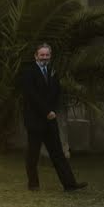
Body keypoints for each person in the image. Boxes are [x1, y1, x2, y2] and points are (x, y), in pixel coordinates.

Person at [20, 43, 88, 192]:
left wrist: (53, 110)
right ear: (36, 56)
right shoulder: (28, 71)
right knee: (33, 154)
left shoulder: (52, 71)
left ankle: (70, 185)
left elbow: (57, 92)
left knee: (58, 153)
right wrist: (46, 111)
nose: (44, 57)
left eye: (47, 55)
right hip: (35, 120)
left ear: (50, 56)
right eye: (42, 55)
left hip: (50, 120)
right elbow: (31, 95)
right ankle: (33, 184)